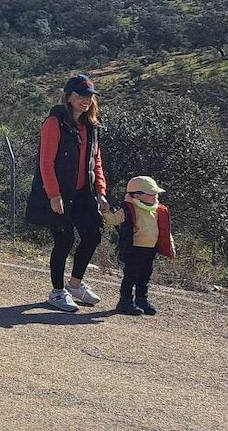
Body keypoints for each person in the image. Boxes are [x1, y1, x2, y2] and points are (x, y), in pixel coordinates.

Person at [25, 73, 108, 312]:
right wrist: (54, 195)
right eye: (81, 95)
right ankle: (57, 292)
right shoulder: (54, 123)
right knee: (64, 239)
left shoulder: (91, 126)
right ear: (68, 97)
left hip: (84, 193)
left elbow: (97, 161)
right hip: (60, 193)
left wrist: (101, 192)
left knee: (93, 234)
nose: (86, 100)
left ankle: (75, 284)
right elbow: (46, 163)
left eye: (90, 96)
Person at [105, 175, 175, 316]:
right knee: (130, 275)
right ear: (137, 195)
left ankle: (141, 300)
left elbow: (165, 230)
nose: (155, 196)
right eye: (151, 193)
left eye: (155, 193)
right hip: (134, 249)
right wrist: (104, 212)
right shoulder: (128, 209)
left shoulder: (157, 210)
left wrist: (171, 244)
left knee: (145, 276)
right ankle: (125, 301)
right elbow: (114, 220)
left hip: (150, 250)